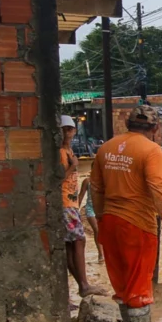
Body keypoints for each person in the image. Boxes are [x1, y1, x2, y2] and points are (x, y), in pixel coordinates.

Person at [92, 105, 162, 322]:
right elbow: (159, 189)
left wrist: (102, 218)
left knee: (121, 280)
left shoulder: (106, 148)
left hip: (109, 221)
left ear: (127, 124)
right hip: (137, 223)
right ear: (155, 128)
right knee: (138, 278)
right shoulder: (151, 150)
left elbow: (95, 188)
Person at [60, 115, 105, 298]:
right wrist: (72, 167)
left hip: (70, 203)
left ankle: (81, 285)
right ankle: (84, 285)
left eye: (69, 130)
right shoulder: (61, 153)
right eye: (64, 130)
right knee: (79, 241)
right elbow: (57, 179)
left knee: (72, 244)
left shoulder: (68, 151)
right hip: (65, 202)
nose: (67, 134)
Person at [78, 179, 104, 263]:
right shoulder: (87, 181)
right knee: (97, 230)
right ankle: (101, 254)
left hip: (102, 208)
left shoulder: (106, 179)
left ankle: (107, 253)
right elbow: (81, 195)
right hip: (90, 208)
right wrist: (75, 210)